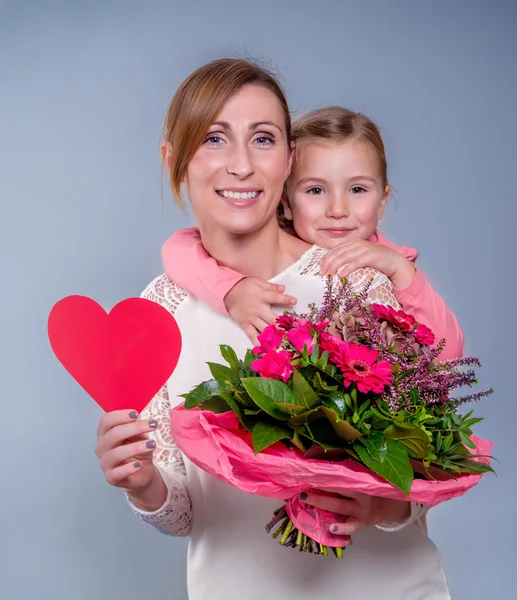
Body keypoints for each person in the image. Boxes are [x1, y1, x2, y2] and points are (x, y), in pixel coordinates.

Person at [94, 58, 451, 599]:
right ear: (173, 158)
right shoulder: (158, 313)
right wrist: (142, 483)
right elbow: (183, 517)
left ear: (288, 160)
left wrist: (377, 502)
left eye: (262, 138)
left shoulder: (355, 282)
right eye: (214, 139)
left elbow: (431, 456)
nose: (241, 165)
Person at [161, 106, 464, 359]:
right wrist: (229, 290)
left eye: (357, 189)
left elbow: (448, 354)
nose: (337, 209)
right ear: (287, 202)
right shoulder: (274, 246)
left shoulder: (387, 269)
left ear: (382, 201)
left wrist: (401, 269)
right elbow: (179, 249)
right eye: (316, 189)